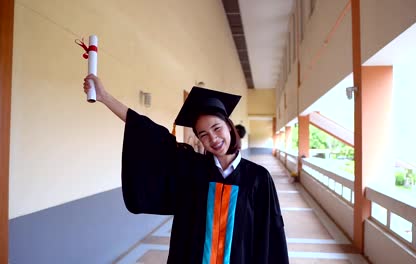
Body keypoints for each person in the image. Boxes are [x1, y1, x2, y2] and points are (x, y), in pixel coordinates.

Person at [83, 74, 289, 264]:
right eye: (203, 134)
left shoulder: (258, 177)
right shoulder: (192, 169)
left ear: (229, 126)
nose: (213, 139)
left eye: (217, 128)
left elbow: (269, 233)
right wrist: (104, 97)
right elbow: (148, 132)